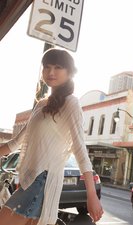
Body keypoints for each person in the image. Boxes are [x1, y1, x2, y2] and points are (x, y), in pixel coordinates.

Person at [0, 48, 104, 225]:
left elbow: (80, 150)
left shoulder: (71, 103)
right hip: (29, 179)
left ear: (69, 72)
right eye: (46, 67)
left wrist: (92, 195)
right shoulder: (41, 104)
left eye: (57, 67)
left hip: (42, 180)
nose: (51, 72)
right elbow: (16, 142)